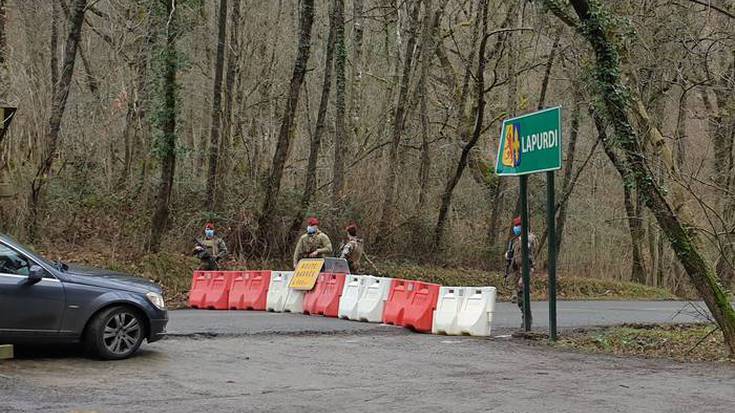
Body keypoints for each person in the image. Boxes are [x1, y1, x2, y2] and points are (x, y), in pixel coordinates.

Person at [504, 216, 537, 328]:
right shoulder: (516, 240)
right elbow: (514, 256)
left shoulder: (528, 240)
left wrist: (524, 275)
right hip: (516, 271)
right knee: (519, 297)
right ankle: (525, 318)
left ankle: (527, 320)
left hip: (525, 271)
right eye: (515, 226)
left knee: (523, 296)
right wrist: (509, 256)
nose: (515, 228)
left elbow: (527, 259)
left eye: (517, 226)